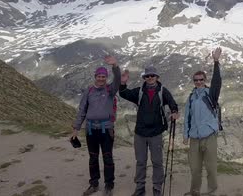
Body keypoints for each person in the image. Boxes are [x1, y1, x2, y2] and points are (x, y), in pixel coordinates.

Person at [117, 61, 179, 196]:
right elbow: (123, 93)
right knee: (140, 162)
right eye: (147, 76)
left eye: (152, 76)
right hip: (140, 133)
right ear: (144, 78)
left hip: (156, 133)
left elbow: (173, 103)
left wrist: (174, 111)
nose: (150, 78)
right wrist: (122, 83)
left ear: (157, 77)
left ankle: (157, 189)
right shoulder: (139, 91)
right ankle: (140, 188)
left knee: (157, 162)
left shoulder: (163, 91)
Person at [71, 56, 121, 196]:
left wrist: (115, 66)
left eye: (103, 76)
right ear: (95, 77)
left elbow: (117, 79)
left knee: (107, 157)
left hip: (106, 129)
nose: (101, 79)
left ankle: (109, 185)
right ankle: (94, 184)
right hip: (91, 130)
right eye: (99, 76)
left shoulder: (110, 90)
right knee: (93, 157)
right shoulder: (89, 91)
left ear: (106, 77)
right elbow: (82, 110)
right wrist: (76, 128)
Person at [183, 47, 222, 196]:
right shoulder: (191, 97)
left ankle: (212, 191)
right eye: (196, 80)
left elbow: (217, 83)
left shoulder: (210, 94)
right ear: (193, 81)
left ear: (205, 80)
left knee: (211, 168)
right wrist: (185, 135)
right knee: (195, 169)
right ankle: (195, 192)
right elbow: (187, 117)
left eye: (201, 80)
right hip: (194, 137)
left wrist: (216, 62)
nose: (198, 82)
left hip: (209, 135)